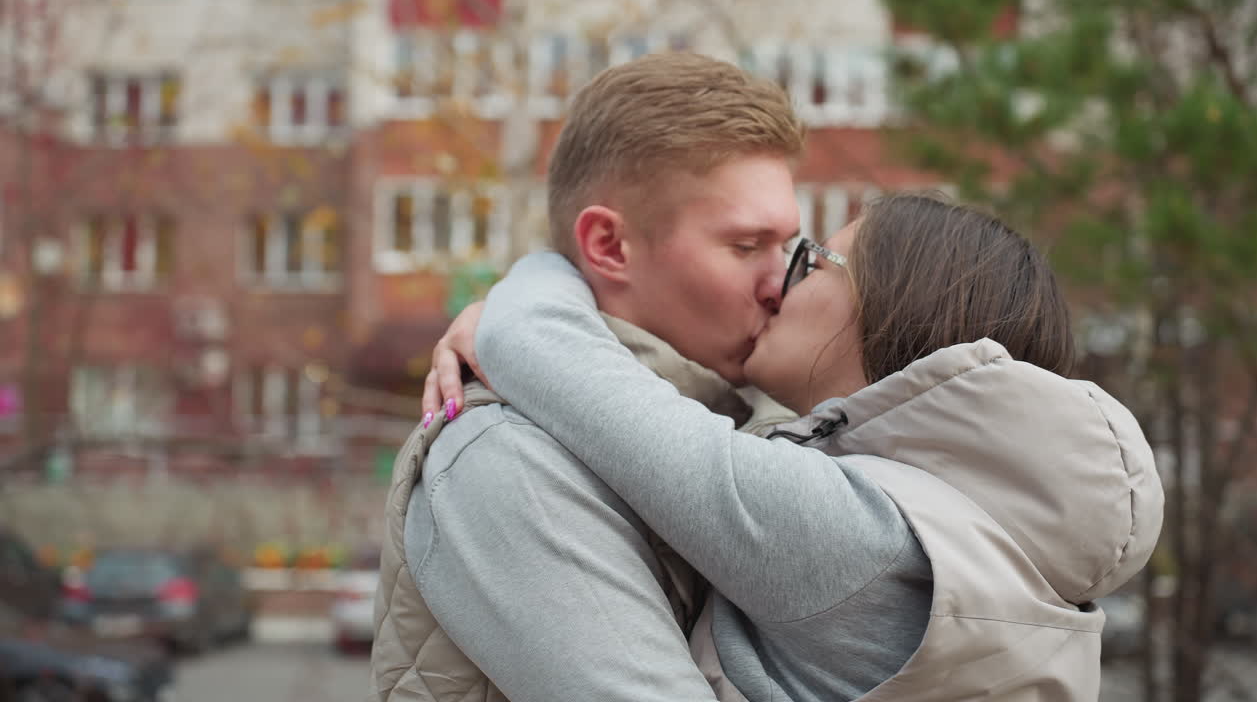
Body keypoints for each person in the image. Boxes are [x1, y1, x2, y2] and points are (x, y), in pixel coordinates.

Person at [430, 193, 1165, 700]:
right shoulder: (987, 549)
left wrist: (538, 278)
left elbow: (533, 346)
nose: (778, 285)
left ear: (893, 311)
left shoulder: (862, 538)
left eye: (813, 262)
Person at [369, 52, 805, 702]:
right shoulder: (505, 457)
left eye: (790, 248)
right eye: (746, 247)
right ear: (607, 246)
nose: (781, 286)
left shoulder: (737, 418)